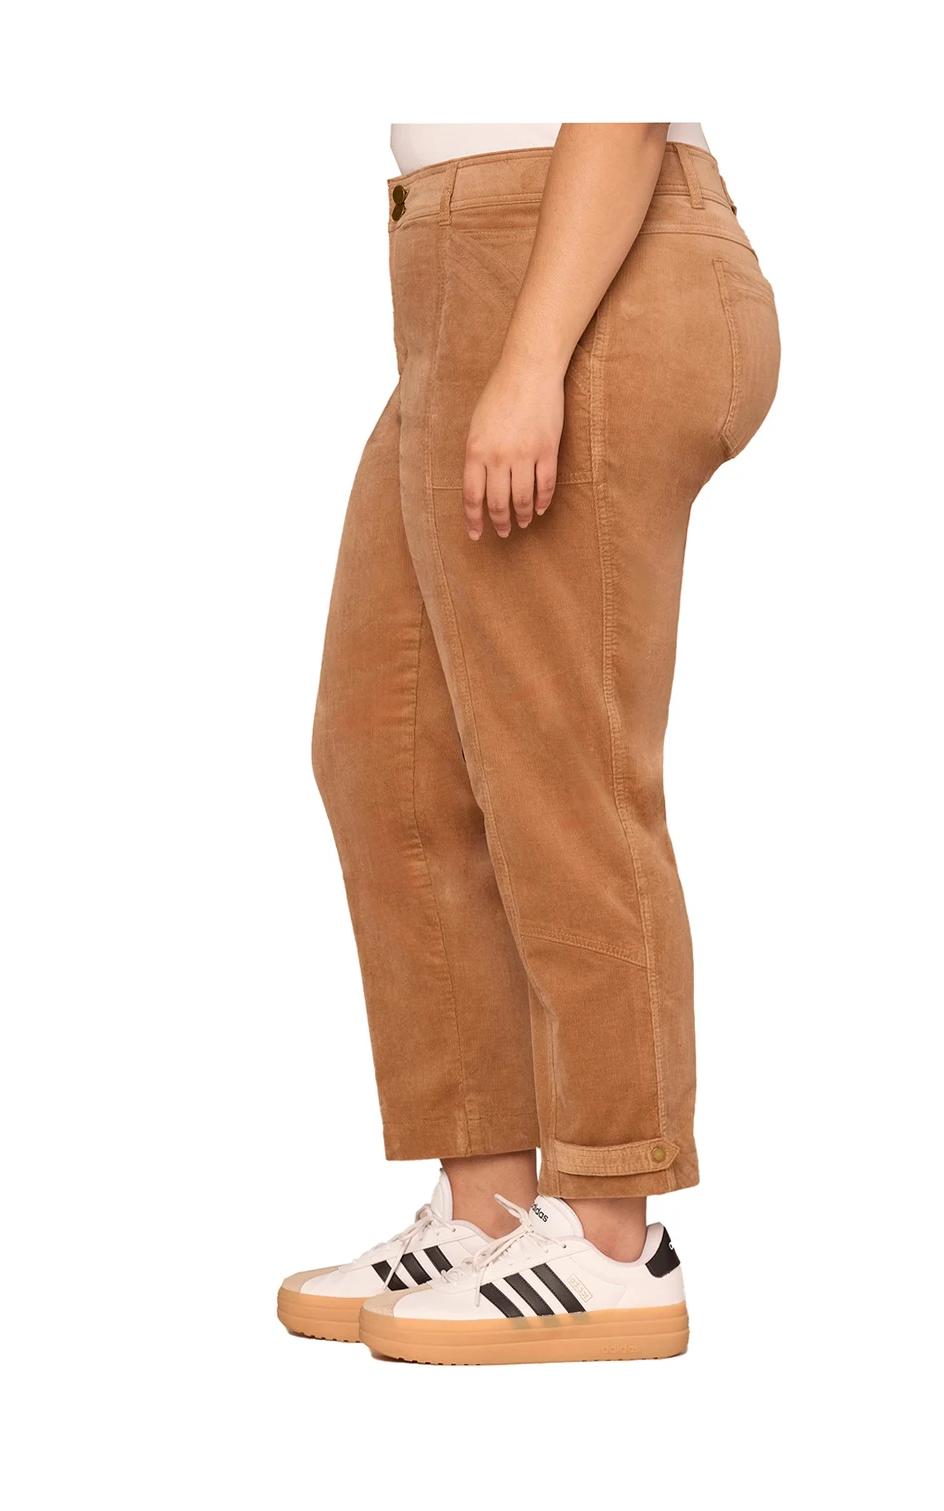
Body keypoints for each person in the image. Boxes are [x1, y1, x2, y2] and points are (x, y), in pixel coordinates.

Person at [277, 122, 780, 1364]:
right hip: (469, 272)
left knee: (558, 764)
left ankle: (610, 1235)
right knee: (383, 745)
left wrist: (536, 350)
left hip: (579, 257)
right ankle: (490, 1211)